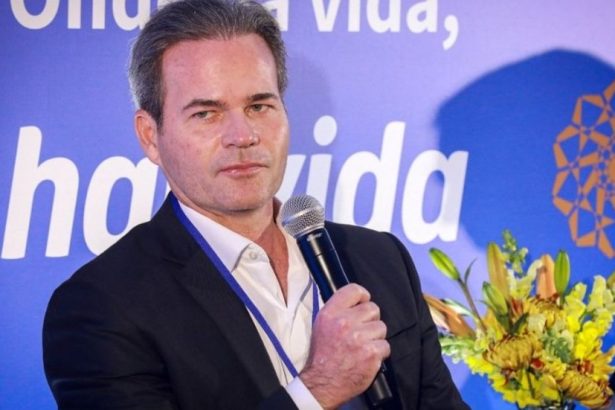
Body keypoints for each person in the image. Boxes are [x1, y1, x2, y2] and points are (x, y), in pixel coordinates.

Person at [42, 1, 469, 409]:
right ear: (150, 136)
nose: (242, 136)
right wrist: (318, 389)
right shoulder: (100, 308)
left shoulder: (380, 258)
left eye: (259, 105)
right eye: (206, 114)